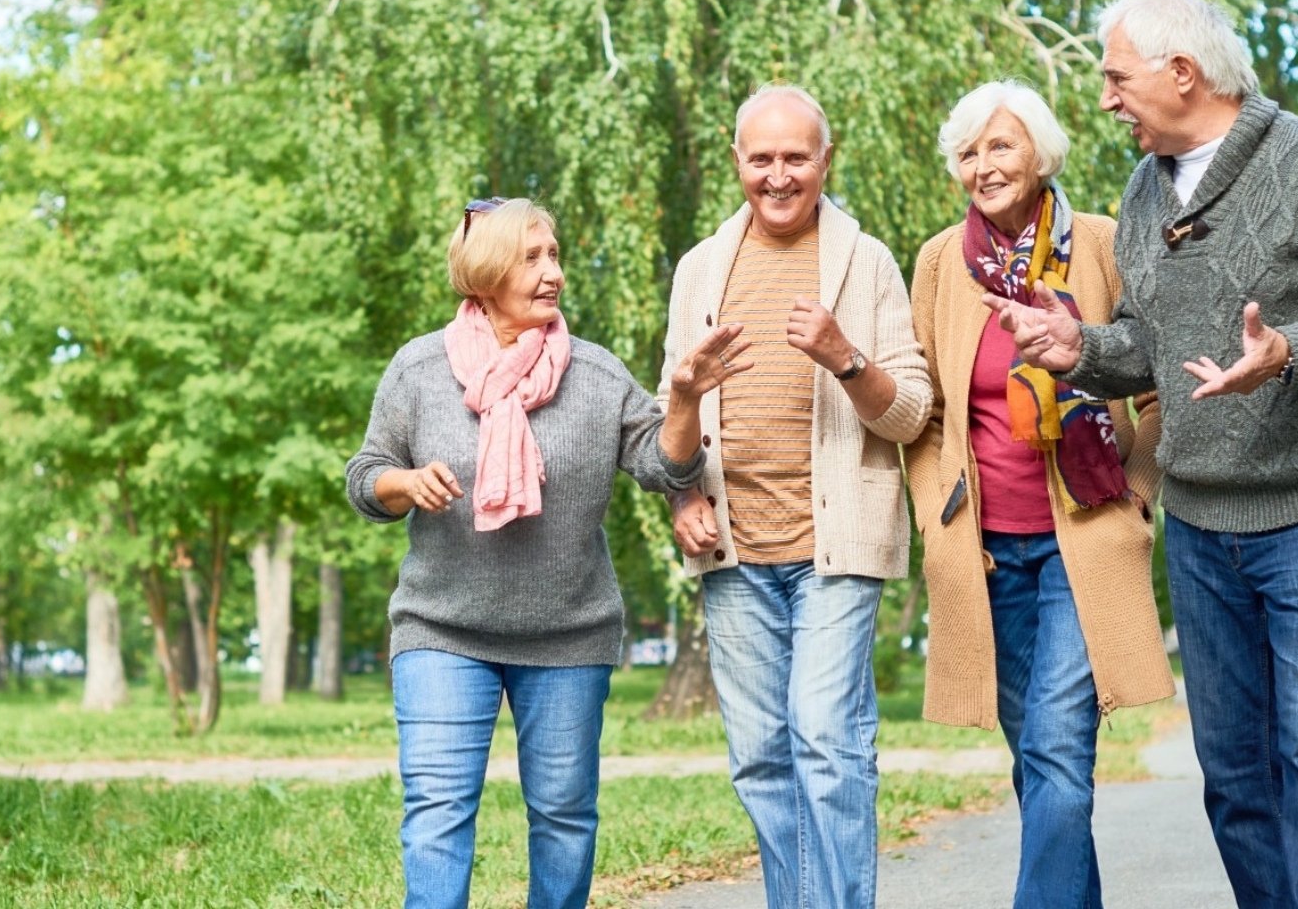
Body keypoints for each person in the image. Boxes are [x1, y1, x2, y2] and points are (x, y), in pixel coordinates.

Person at [987, 0, 1298, 909]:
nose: (1106, 98)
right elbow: (1153, 348)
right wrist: (1082, 350)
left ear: (1181, 73)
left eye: (1117, 77)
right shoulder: (1143, 189)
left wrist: (1291, 353)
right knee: (1234, 776)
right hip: (1200, 524)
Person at [345, 197, 745, 909]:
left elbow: (666, 467)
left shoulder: (593, 374)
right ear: (487, 271)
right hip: (442, 629)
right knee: (437, 815)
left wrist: (682, 401)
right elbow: (365, 476)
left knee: (562, 820)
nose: (552, 272)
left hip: (568, 634)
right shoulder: (420, 370)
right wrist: (405, 481)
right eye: (533, 258)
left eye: (555, 255)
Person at [659, 85, 932, 909]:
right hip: (733, 553)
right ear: (736, 158)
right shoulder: (701, 268)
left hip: (835, 547)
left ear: (825, 158)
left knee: (825, 738)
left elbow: (913, 414)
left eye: (796, 158)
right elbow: (672, 437)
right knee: (761, 758)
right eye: (762, 159)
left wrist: (845, 356)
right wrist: (679, 490)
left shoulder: (864, 261)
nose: (779, 177)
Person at [905, 79, 1173, 909]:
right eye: (969, 151)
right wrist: (938, 518)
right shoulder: (940, 263)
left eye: (1000, 145)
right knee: (1038, 761)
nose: (983, 165)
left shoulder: (1099, 243)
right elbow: (928, 414)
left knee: (1058, 751)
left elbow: (1157, 386)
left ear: (1041, 153)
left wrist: (1137, 490)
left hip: (1082, 540)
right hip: (987, 550)